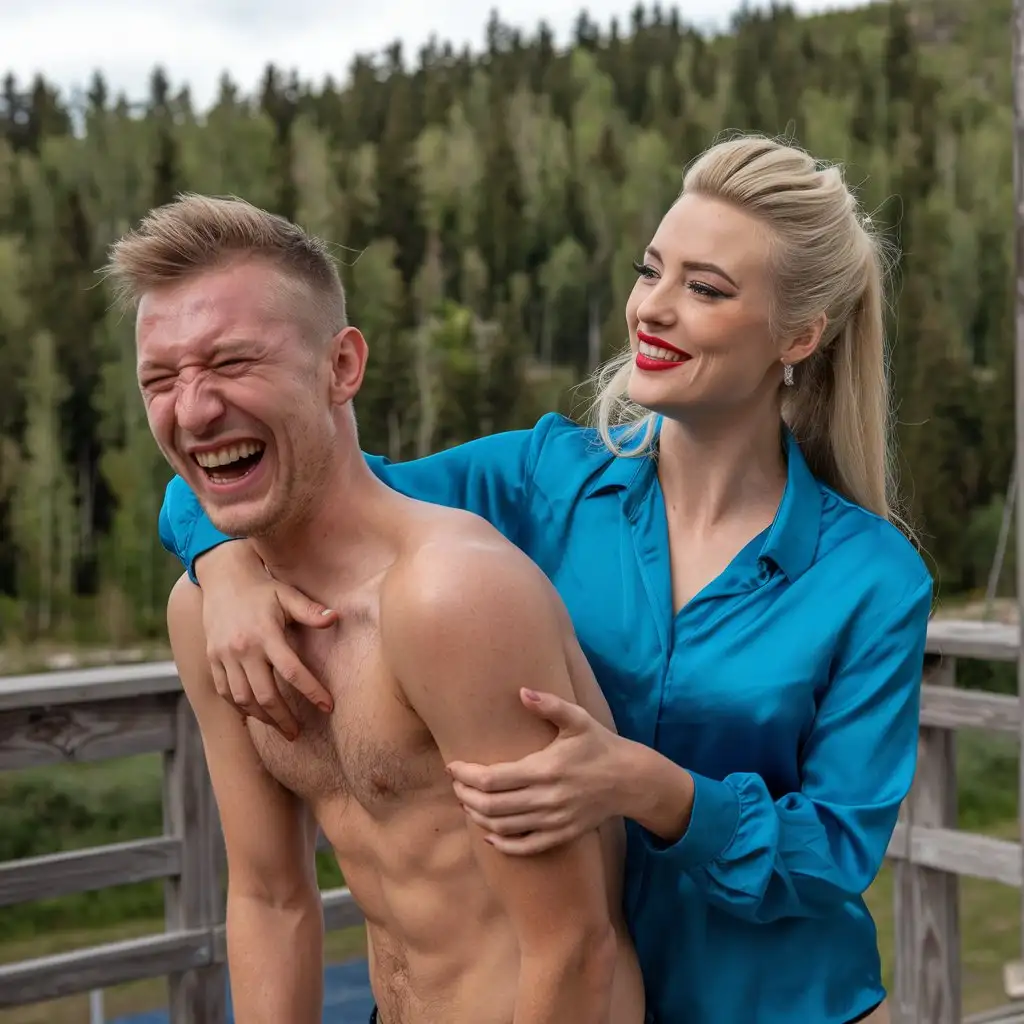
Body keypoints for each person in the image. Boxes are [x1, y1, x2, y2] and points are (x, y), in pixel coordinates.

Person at [158, 135, 932, 1024]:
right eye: (651, 272)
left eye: (705, 288)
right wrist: (223, 571)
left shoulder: (873, 578)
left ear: (799, 335)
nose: (654, 309)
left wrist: (652, 788)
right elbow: (301, 476)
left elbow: (835, 855)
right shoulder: (538, 479)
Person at [110, 193, 645, 1024]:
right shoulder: (208, 611)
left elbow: (573, 947)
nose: (193, 409)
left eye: (231, 363)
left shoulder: (451, 596)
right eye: (161, 379)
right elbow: (268, 898)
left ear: (342, 367)